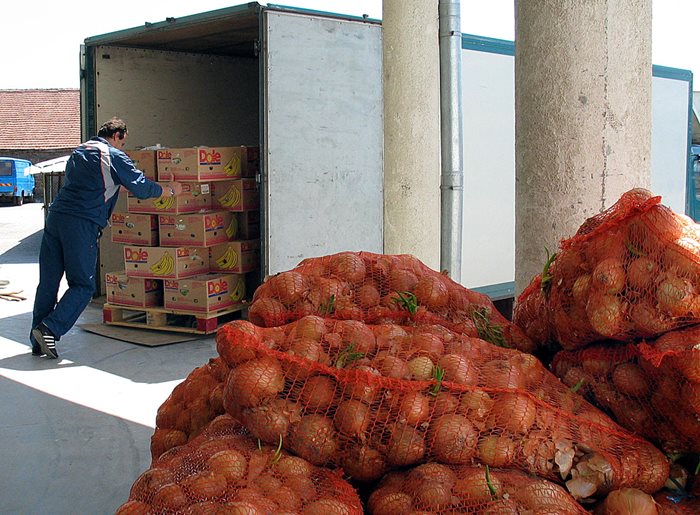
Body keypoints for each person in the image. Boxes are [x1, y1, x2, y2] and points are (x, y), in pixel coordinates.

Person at [30, 118, 182, 359]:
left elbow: (99, 185)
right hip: (81, 223)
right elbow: (141, 188)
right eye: (123, 142)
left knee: (49, 282)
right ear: (118, 135)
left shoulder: (79, 152)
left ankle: (37, 340)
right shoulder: (113, 156)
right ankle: (50, 328)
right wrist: (170, 190)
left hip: (56, 218)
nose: (123, 147)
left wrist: (125, 183)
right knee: (83, 285)